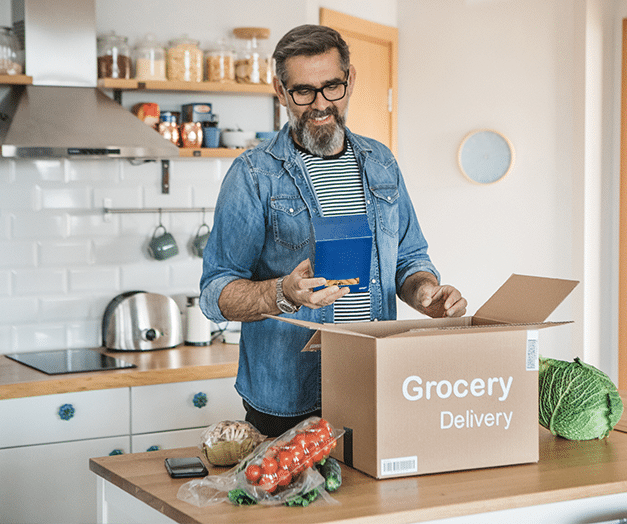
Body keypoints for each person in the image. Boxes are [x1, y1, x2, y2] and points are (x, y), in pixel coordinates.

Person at [199, 24, 466, 437]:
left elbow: (410, 260)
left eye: (332, 87)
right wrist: (283, 294)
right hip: (287, 396)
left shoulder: (381, 162)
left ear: (351, 80)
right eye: (303, 91)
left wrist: (425, 292)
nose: (320, 104)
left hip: (375, 379)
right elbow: (215, 292)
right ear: (281, 90)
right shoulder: (253, 174)